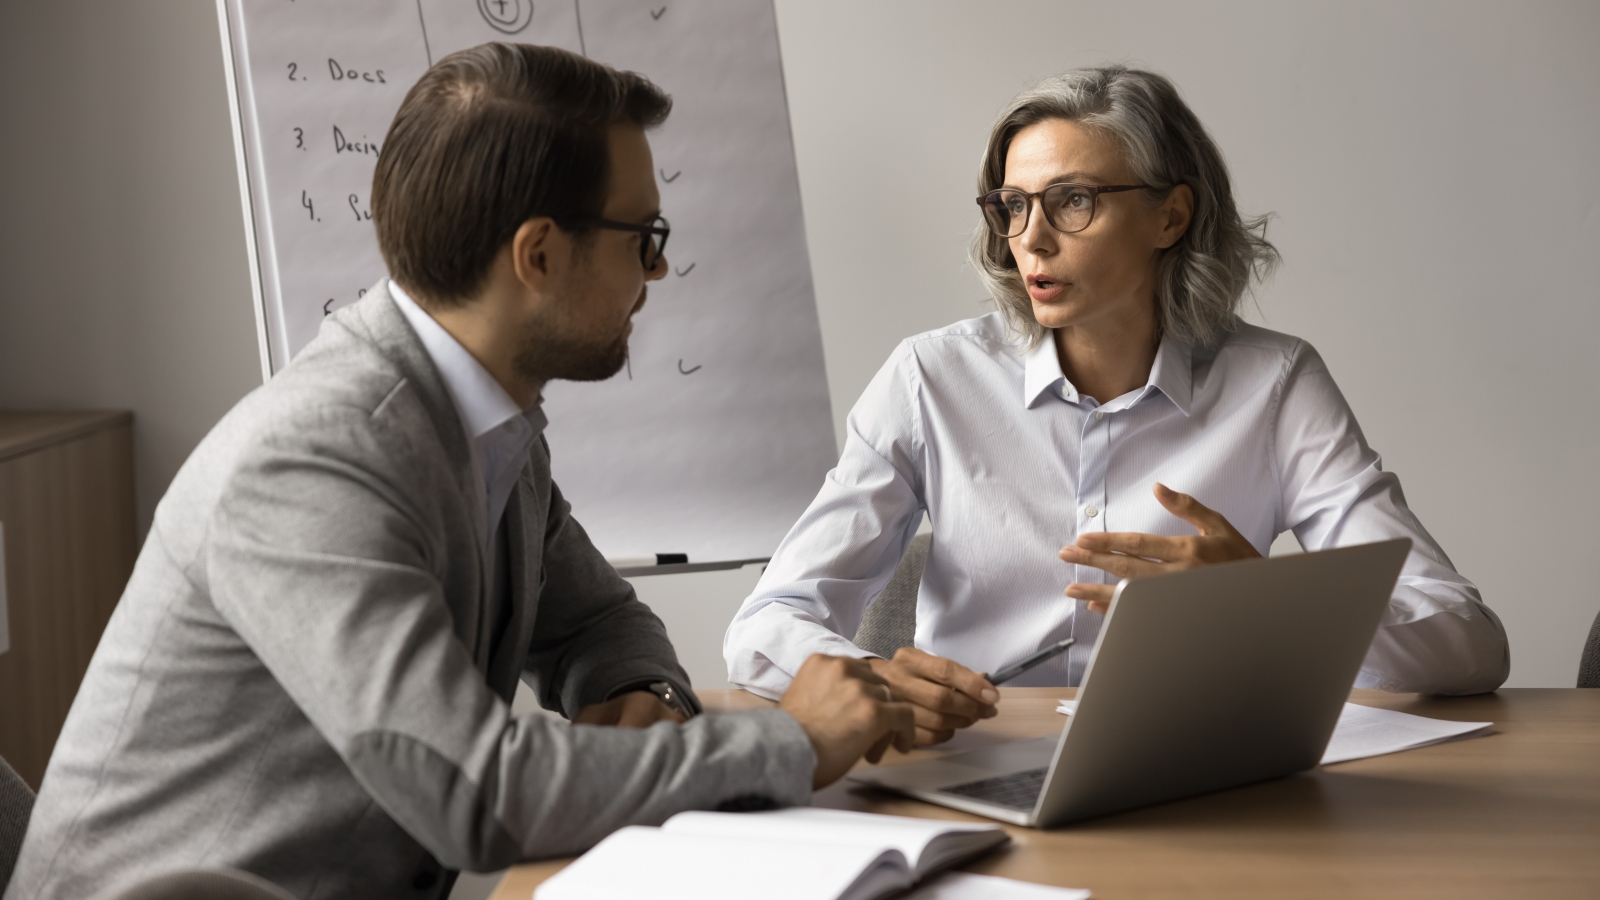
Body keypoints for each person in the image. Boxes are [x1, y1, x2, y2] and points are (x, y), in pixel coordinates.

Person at [5, 44, 913, 900]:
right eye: (645, 235)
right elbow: (473, 788)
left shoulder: (485, 420)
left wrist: (640, 693)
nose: (662, 267)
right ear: (539, 254)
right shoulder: (314, 460)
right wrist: (787, 741)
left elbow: (597, 618)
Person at [723, 65, 1510, 746]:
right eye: (1011, 204)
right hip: (980, 758)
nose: (1028, 239)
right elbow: (765, 625)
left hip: (1195, 768)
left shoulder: (1274, 384)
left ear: (1171, 215)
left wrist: (1268, 609)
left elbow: (1470, 644)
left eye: (1071, 201)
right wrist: (874, 681)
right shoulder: (930, 377)